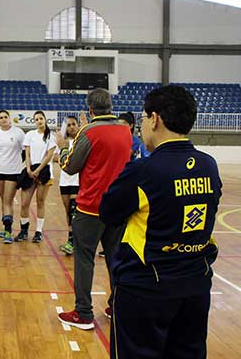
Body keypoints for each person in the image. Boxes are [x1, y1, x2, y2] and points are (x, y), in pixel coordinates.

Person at [99, 85, 222, 359]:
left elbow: (108, 212)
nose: (142, 125)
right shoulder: (209, 165)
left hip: (146, 287)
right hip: (195, 284)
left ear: (154, 119)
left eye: (143, 118)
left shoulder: (143, 170)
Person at [56, 89, 132, 330]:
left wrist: (62, 148)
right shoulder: (124, 130)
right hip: (118, 207)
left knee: (84, 259)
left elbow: (69, 166)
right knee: (115, 260)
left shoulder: (87, 132)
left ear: (89, 109)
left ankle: (83, 313)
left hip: (90, 208)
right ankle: (117, 307)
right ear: (110, 106)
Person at [16, 110, 56, 243]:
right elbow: (26, 154)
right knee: (24, 203)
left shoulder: (51, 136)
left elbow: (49, 155)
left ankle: (38, 232)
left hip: (44, 172)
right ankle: (23, 231)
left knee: (40, 202)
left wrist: (38, 170)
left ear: (45, 119)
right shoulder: (30, 135)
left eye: (41, 118)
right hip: (30, 172)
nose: (39, 121)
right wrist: (28, 169)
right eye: (36, 119)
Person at [0, 110, 25, 244]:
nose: (3, 119)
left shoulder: (18, 133)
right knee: (4, 200)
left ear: (9, 119)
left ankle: (8, 232)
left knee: (7, 200)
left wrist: (14, 164)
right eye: (1, 118)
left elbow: (24, 151)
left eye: (5, 117)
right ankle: (5, 228)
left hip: (13, 172)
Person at [55, 116, 80, 255]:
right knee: (68, 213)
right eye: (69, 125)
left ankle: (73, 242)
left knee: (73, 211)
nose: (71, 127)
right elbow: (57, 158)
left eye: (74, 124)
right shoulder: (63, 142)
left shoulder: (81, 142)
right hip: (65, 181)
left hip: (77, 181)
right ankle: (71, 239)